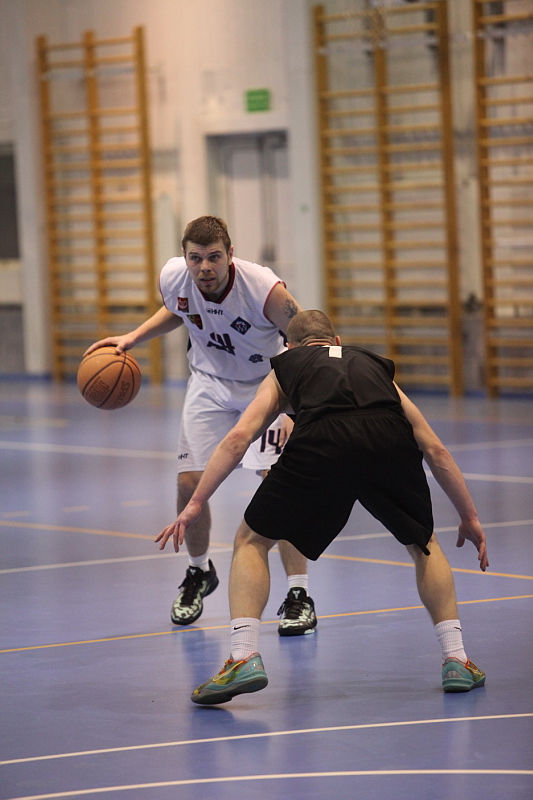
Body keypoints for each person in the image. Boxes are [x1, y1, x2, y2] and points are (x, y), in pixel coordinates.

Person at [156, 310, 489, 705]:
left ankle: (243, 656)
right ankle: (456, 659)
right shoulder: (373, 365)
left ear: (291, 346)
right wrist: (469, 516)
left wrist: (195, 502)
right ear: (336, 340)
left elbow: (239, 437)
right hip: (386, 438)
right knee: (424, 544)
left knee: (251, 540)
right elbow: (435, 448)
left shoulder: (286, 365)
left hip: (323, 441)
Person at [85, 216, 317, 635]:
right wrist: (133, 337)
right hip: (209, 384)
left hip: (265, 386)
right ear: (185, 257)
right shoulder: (175, 276)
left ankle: (299, 594)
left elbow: (305, 340)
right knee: (189, 483)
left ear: (230, 255)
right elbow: (179, 310)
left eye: (213, 257)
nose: (205, 267)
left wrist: (291, 409)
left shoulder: (263, 289)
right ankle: (199, 571)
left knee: (277, 485)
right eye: (196, 258)